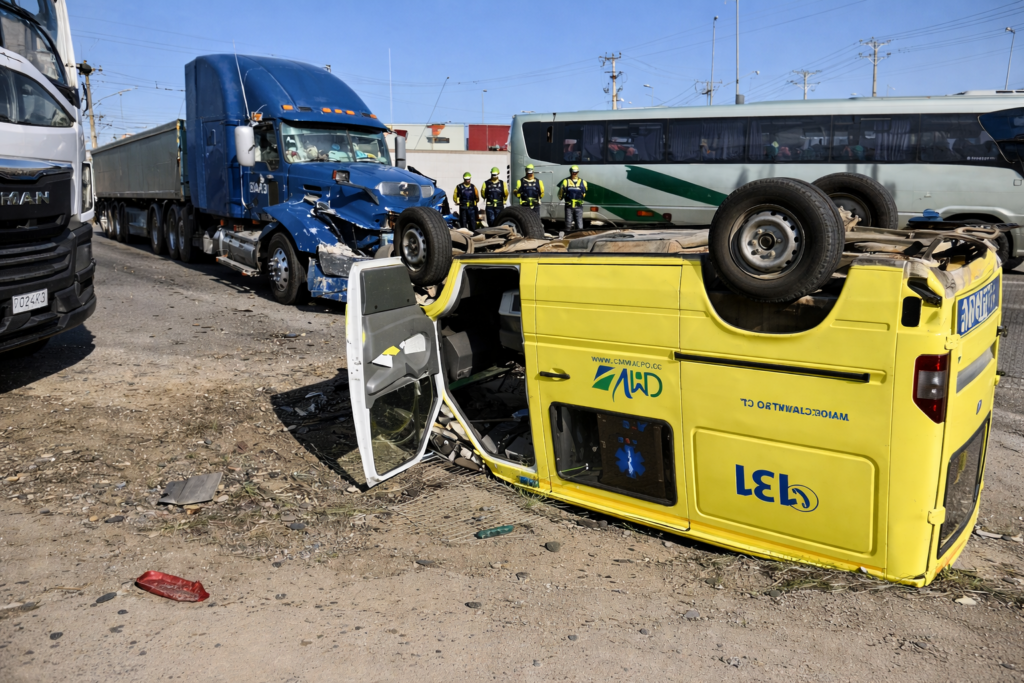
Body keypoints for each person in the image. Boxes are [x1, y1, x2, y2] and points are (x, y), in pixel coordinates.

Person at [557, 165, 588, 232]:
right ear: (570, 172)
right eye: (573, 172)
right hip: (569, 205)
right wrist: (561, 197)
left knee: (579, 224)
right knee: (568, 224)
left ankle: (578, 236)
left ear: (578, 172)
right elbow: (560, 192)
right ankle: (568, 235)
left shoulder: (583, 182)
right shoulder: (566, 181)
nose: (574, 173)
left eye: (575, 172)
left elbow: (584, 193)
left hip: (578, 206)